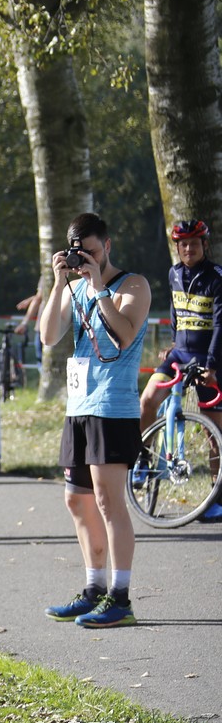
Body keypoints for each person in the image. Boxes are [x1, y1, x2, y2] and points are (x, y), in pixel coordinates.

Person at [38, 212, 151, 628]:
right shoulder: (75, 286)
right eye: (79, 253)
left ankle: (121, 598)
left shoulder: (133, 285)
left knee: (108, 501)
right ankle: (93, 589)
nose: (86, 259)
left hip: (113, 407)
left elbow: (123, 333)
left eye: (93, 252)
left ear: (108, 246)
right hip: (79, 406)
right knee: (77, 500)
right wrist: (59, 283)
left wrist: (99, 286)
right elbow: (48, 336)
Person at [136, 220, 222, 518]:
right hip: (180, 354)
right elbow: (175, 309)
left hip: (208, 359)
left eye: (194, 243)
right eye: (183, 244)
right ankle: (144, 460)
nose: (188, 249)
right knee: (147, 401)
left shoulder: (217, 277)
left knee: (214, 433)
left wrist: (211, 366)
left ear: (204, 245)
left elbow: (220, 325)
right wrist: (174, 341)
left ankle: (215, 498)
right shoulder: (173, 273)